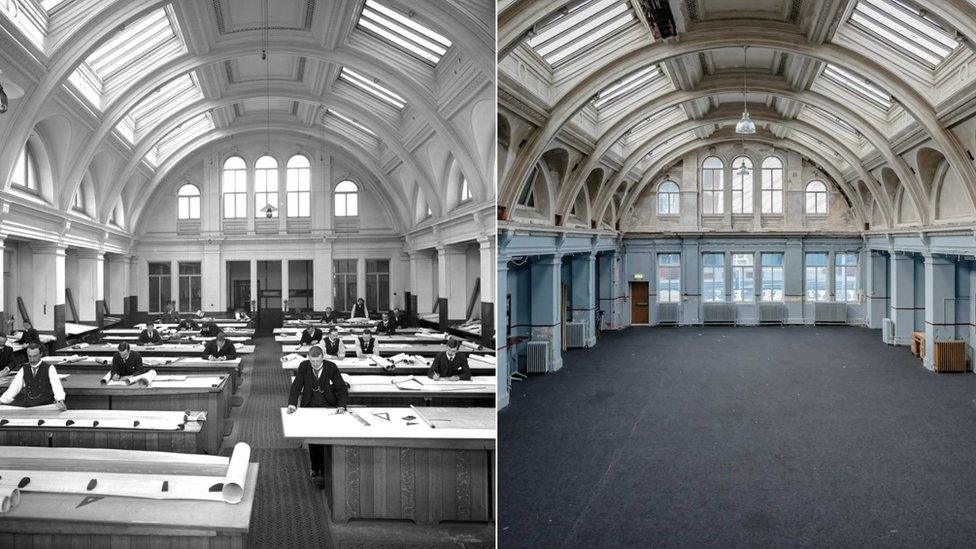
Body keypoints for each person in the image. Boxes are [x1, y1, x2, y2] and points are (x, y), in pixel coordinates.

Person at [286, 345, 348, 487]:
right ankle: (315, 468)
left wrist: (341, 405)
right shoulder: (304, 366)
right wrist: (292, 404)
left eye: (317, 361)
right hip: (310, 406)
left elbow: (341, 389)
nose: (315, 364)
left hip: (328, 407)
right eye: (312, 361)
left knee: (328, 437)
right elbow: (296, 386)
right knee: (313, 439)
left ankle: (326, 468)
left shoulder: (331, 367)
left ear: (322, 358)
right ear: (309, 358)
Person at [0, 343, 67, 409]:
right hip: (28, 407)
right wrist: (2, 400)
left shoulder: (49, 368)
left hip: (45, 406)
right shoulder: (24, 369)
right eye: (29, 356)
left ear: (41, 354)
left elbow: (56, 385)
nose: (32, 359)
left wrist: (60, 399)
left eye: (35, 356)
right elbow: (14, 387)